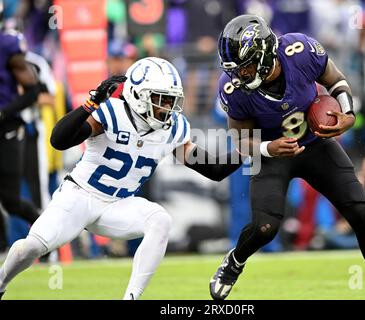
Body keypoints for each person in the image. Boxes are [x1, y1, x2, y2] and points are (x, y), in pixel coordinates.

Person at [0, 57, 243, 300]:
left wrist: (254, 148)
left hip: (118, 205)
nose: (168, 107)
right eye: (161, 98)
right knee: (28, 248)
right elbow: (59, 140)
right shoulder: (112, 112)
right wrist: (91, 103)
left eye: (171, 99)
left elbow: (215, 169)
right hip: (79, 196)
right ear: (138, 95)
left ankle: (131, 298)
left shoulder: (172, 128)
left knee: (159, 220)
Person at [209, 14, 365, 301]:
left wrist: (347, 114)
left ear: (262, 54)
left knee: (361, 213)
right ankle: (235, 262)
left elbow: (335, 79)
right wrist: (268, 149)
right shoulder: (234, 89)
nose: (239, 75)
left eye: (245, 67)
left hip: (316, 144)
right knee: (264, 228)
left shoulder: (299, 51)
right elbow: (238, 139)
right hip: (273, 154)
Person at [0, 16, 45, 252]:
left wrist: (4, 112)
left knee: (11, 200)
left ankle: (48, 237)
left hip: (5, 129)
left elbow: (33, 89)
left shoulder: (7, 44)